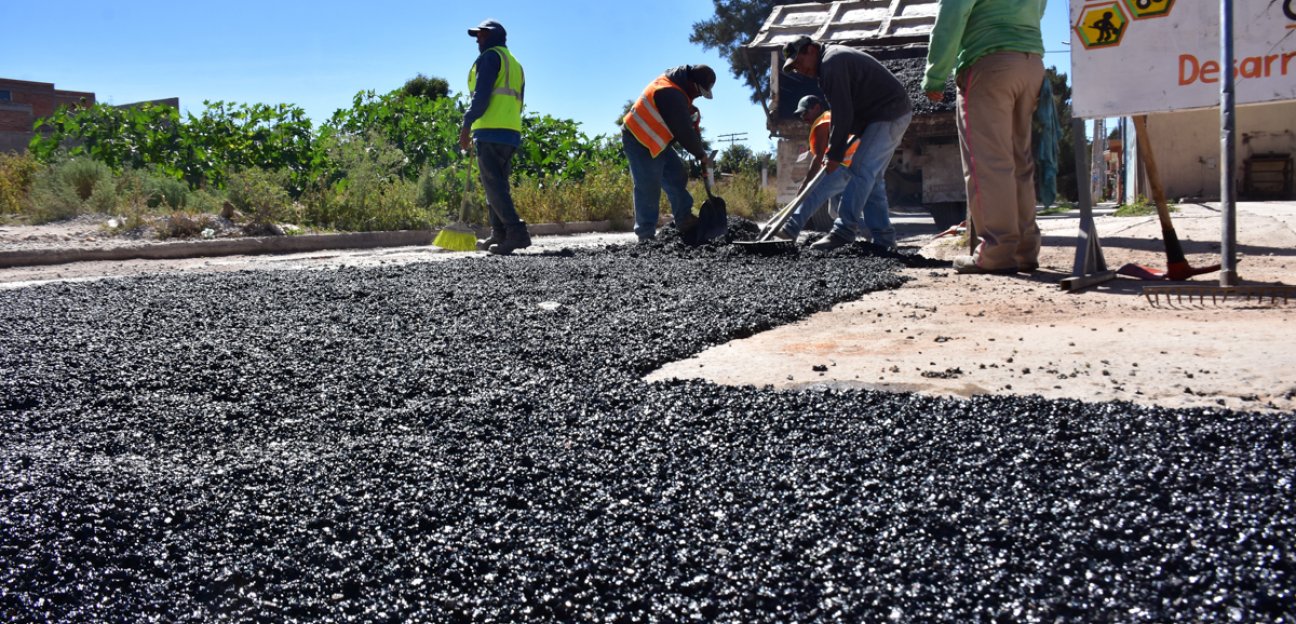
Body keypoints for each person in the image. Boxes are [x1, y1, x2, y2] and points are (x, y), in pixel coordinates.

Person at [923, 0, 1047, 274]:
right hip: (1030, 63)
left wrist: (935, 76)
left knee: (989, 163)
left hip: (989, 62)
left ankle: (997, 252)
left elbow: (952, 15)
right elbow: (1039, 10)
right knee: (1020, 162)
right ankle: (1025, 250)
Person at [782, 36, 911, 250]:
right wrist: (837, 151)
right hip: (879, 116)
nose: (799, 70)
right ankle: (884, 240)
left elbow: (843, 113)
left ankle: (843, 231)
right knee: (872, 177)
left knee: (861, 169)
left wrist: (834, 154)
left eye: (799, 62)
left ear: (812, 50)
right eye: (794, 67)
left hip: (890, 111)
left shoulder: (832, 63)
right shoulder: (829, 65)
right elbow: (851, 110)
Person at [622, 65, 716, 242]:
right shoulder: (669, 92)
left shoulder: (679, 88)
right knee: (648, 186)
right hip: (638, 137)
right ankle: (646, 236)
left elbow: (687, 125)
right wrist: (700, 154)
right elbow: (682, 131)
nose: (698, 97)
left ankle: (684, 219)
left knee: (676, 175)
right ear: (692, 83)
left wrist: (698, 144)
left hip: (657, 140)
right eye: (699, 92)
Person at [461, 19, 530, 255]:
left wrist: (467, 124)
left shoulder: (491, 58)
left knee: (494, 186)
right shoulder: (515, 63)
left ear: (493, 36)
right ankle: (499, 233)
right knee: (496, 185)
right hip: (510, 131)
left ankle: (516, 232)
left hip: (491, 129)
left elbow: (481, 97)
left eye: (481, 35)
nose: (478, 40)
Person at [776, 95, 861, 240]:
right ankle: (866, 231)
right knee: (837, 210)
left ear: (816, 108)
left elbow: (818, 157)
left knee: (812, 193)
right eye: (801, 115)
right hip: (854, 167)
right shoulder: (833, 118)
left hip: (840, 166)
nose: (803, 117)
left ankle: (791, 227)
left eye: (805, 112)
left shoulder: (822, 121)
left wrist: (806, 184)